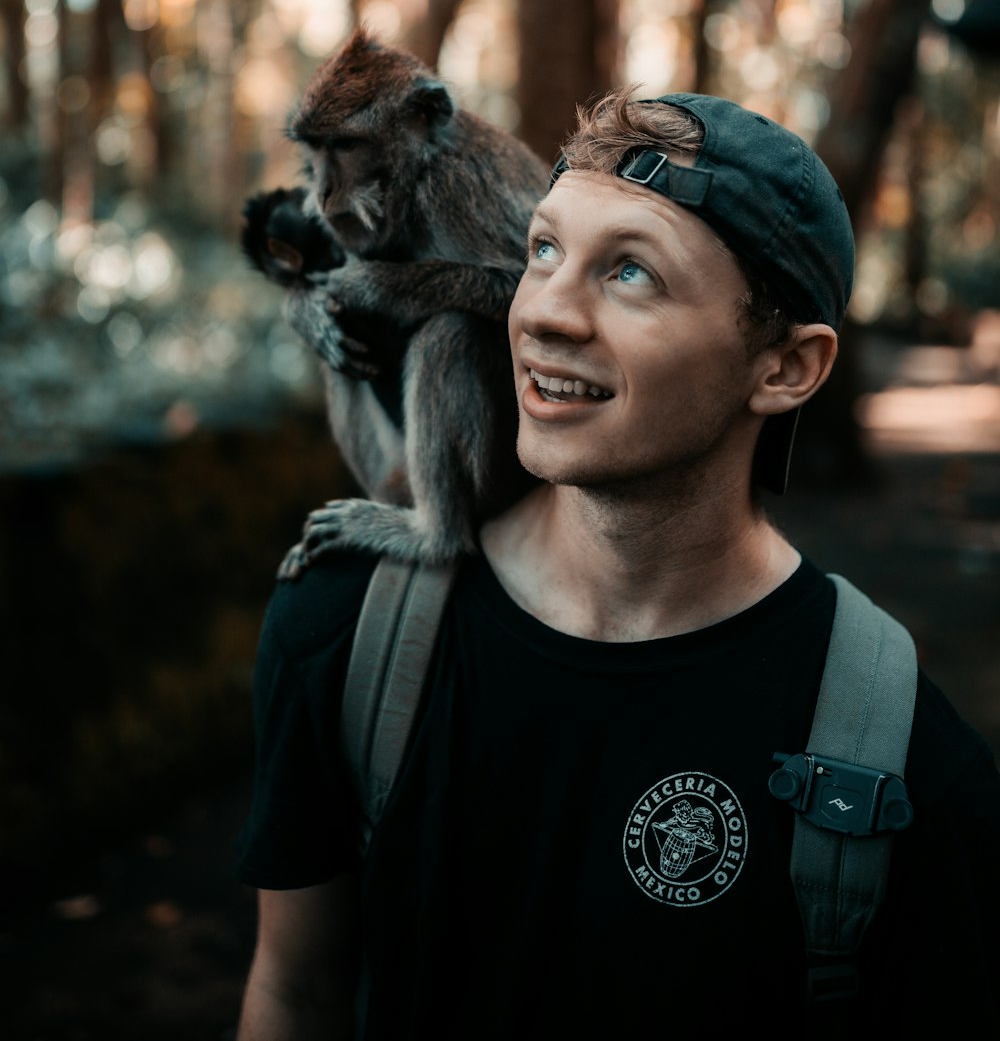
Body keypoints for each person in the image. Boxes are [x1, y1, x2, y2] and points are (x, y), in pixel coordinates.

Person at [234, 91, 1000, 1039]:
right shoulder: (345, 632)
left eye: (631, 272)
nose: (544, 313)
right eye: (542, 252)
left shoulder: (895, 757)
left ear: (787, 368)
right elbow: (295, 992)